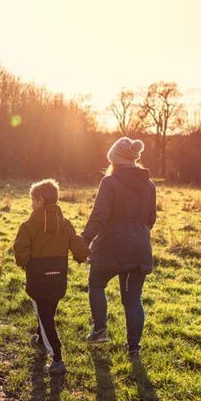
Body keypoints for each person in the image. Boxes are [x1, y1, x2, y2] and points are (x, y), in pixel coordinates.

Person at [82, 137, 157, 355]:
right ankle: (134, 348)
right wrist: (138, 234)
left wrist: (84, 240)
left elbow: (99, 217)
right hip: (139, 248)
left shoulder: (109, 182)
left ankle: (100, 330)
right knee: (133, 298)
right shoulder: (149, 185)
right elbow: (151, 219)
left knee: (96, 284)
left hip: (110, 247)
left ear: (114, 159)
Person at [13, 179, 89, 374]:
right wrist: (84, 256)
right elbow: (77, 244)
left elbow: (21, 250)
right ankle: (40, 337)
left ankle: (57, 357)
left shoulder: (29, 225)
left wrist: (23, 260)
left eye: (33, 200)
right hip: (59, 275)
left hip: (38, 276)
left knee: (44, 315)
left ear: (39, 200)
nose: (31, 204)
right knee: (48, 311)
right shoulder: (66, 224)